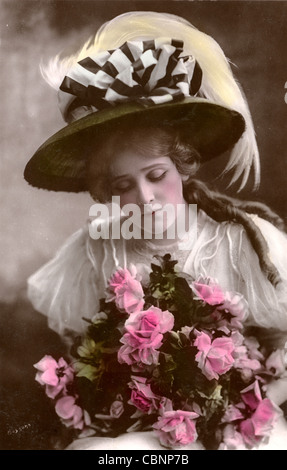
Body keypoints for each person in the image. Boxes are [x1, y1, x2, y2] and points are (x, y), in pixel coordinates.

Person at [24, 11, 287, 450]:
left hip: (241, 427)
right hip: (148, 430)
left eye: (156, 174)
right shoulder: (100, 248)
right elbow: (85, 346)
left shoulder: (239, 240)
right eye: (123, 185)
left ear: (183, 166)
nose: (145, 197)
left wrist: (255, 409)